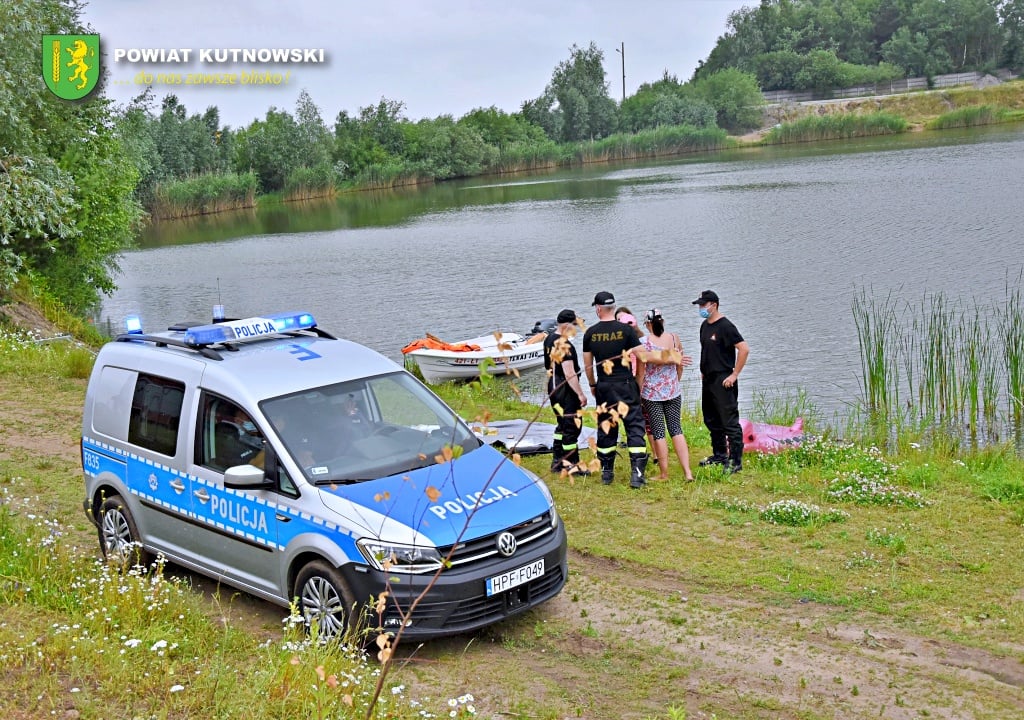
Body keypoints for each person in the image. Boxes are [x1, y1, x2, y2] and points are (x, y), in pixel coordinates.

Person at [583, 291, 648, 488]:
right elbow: (643, 357)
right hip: (626, 384)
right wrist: (638, 381)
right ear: (613, 307)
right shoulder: (626, 331)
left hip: (605, 385)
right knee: (634, 426)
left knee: (607, 427)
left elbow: (588, 365)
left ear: (598, 308)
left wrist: (593, 385)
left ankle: (606, 473)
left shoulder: (591, 333)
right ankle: (637, 475)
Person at [692, 290, 749, 473]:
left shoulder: (726, 326)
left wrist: (734, 375)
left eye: (703, 305)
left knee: (729, 421)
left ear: (713, 305)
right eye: (700, 305)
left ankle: (735, 461)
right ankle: (719, 455)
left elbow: (744, 349)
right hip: (708, 379)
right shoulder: (704, 326)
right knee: (711, 418)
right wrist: (703, 371)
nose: (701, 308)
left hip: (724, 379)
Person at [635, 308, 694, 481]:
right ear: (663, 321)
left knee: (658, 432)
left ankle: (664, 474)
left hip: (652, 394)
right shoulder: (674, 338)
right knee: (676, 429)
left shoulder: (643, 342)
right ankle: (688, 472)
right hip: (673, 390)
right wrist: (676, 381)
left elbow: (641, 372)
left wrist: (638, 392)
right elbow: (679, 365)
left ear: (647, 324)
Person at [543, 309, 588, 474]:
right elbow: (570, 373)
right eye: (574, 325)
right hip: (565, 389)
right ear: (567, 325)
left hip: (553, 385)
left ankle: (557, 461)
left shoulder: (549, 339)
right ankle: (571, 464)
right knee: (572, 427)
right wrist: (580, 394)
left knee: (562, 424)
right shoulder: (565, 345)